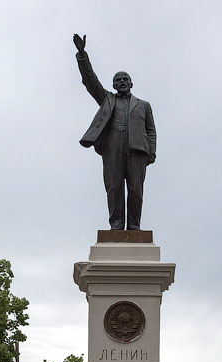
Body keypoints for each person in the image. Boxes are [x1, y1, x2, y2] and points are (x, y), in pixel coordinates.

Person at [73, 33, 156, 231]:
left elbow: (151, 130)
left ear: (131, 83)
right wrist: (82, 54)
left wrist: (151, 152)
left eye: (125, 79)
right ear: (113, 85)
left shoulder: (144, 105)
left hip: (137, 150)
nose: (121, 82)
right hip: (112, 148)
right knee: (114, 188)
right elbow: (90, 81)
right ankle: (117, 225)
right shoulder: (107, 99)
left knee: (136, 190)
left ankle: (134, 226)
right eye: (117, 80)